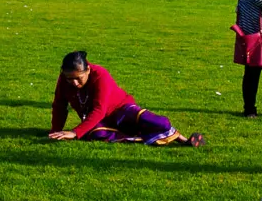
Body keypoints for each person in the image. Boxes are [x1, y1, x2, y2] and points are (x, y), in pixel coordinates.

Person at [47, 51, 204, 147]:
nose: (74, 83)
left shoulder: (100, 75)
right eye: (69, 79)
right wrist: (55, 132)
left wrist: (75, 132)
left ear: (88, 69)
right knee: (95, 134)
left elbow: (99, 109)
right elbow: (59, 106)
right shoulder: (64, 80)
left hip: (122, 110)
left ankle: (181, 138)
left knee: (161, 122)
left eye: (78, 78)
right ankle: (147, 138)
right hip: (102, 121)